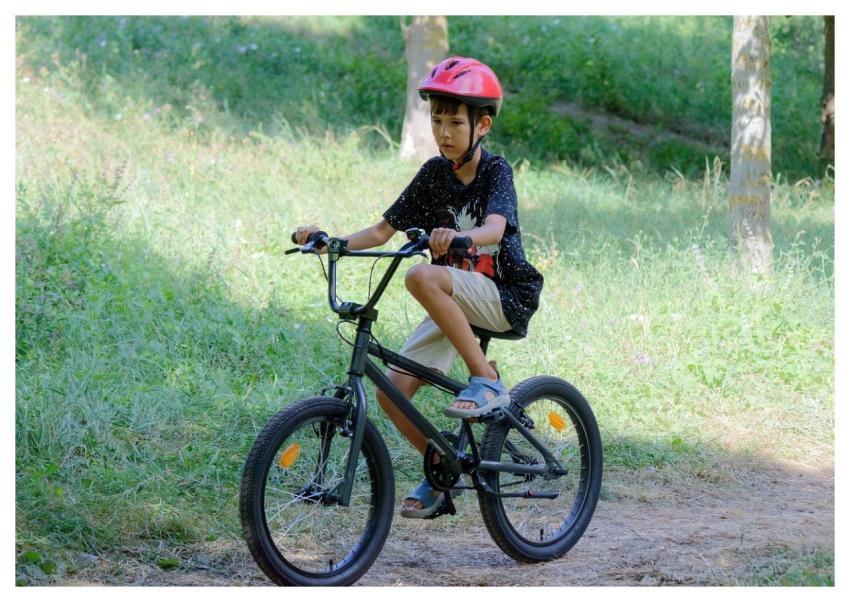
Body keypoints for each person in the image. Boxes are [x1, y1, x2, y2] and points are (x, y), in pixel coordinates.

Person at [294, 56, 544, 519]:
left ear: (482, 124)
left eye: (455, 121)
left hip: (503, 294)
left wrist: (460, 237)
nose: (443, 131)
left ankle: (486, 379)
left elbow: (494, 228)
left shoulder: (496, 172)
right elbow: (381, 232)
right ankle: (441, 470)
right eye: (436, 119)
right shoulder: (433, 174)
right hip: (453, 299)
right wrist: (331, 241)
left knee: (420, 274)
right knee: (391, 394)